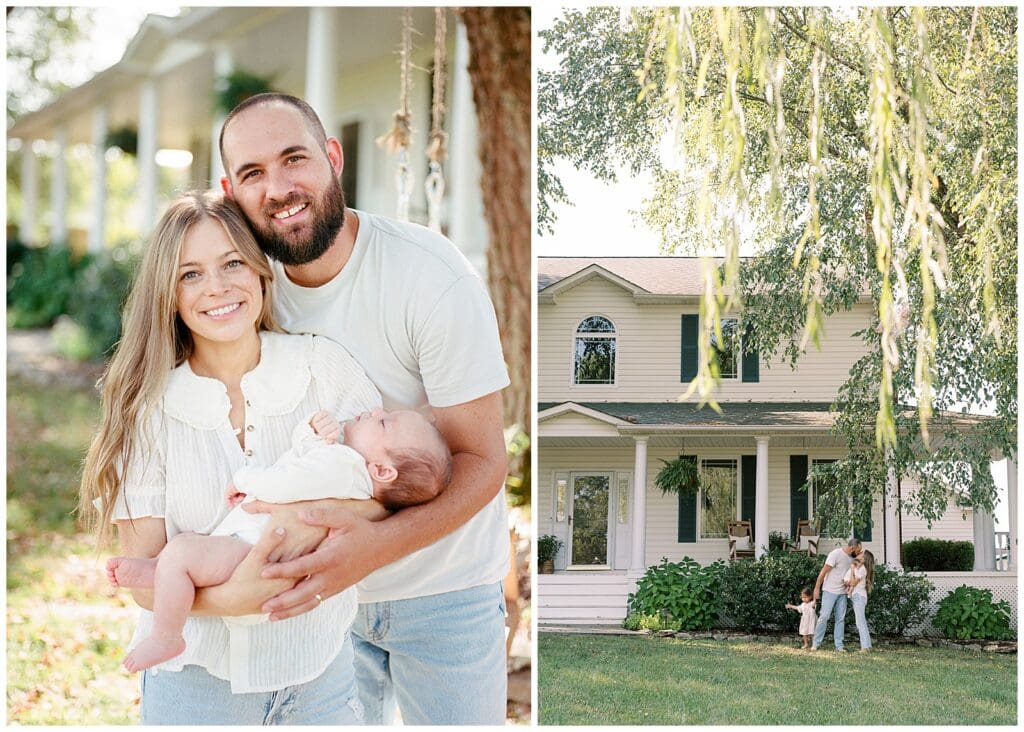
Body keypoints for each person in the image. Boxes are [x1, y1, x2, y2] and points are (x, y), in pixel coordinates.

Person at [218, 92, 511, 725]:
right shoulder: (242, 292)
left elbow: (484, 461)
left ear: (332, 156)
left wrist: (370, 549)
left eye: (294, 158)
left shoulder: (430, 276)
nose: (278, 188)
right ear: (230, 192)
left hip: (446, 594)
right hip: (318, 603)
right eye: (252, 173)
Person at [79, 190, 386, 723]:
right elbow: (146, 583)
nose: (217, 287)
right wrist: (241, 595)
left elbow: (385, 494)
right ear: (169, 294)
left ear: (260, 272)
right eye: (190, 274)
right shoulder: (148, 411)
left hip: (322, 679)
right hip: (197, 690)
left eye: (232, 263)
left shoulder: (323, 368)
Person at [106, 407, 451, 673]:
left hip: (251, 552)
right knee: (189, 551)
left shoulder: (344, 465)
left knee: (184, 551)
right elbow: (304, 459)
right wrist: (312, 431)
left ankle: (166, 636)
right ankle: (161, 570)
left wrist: (245, 479)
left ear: (382, 471)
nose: (376, 411)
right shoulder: (347, 474)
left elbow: (287, 482)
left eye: (384, 422)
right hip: (251, 551)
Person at [810, 538, 863, 651]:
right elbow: (823, 572)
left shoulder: (852, 559)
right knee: (824, 617)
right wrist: (816, 589)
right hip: (829, 591)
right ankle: (816, 643)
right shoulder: (835, 554)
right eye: (858, 550)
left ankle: (839, 645)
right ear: (852, 548)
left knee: (840, 619)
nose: (858, 552)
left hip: (842, 593)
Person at [844, 550, 874, 651]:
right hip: (858, 596)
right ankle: (868, 646)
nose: (859, 554)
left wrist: (852, 569)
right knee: (862, 622)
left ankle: (864, 647)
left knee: (860, 623)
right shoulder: (859, 568)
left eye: (861, 553)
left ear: (863, 558)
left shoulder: (862, 569)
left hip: (859, 596)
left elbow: (853, 583)